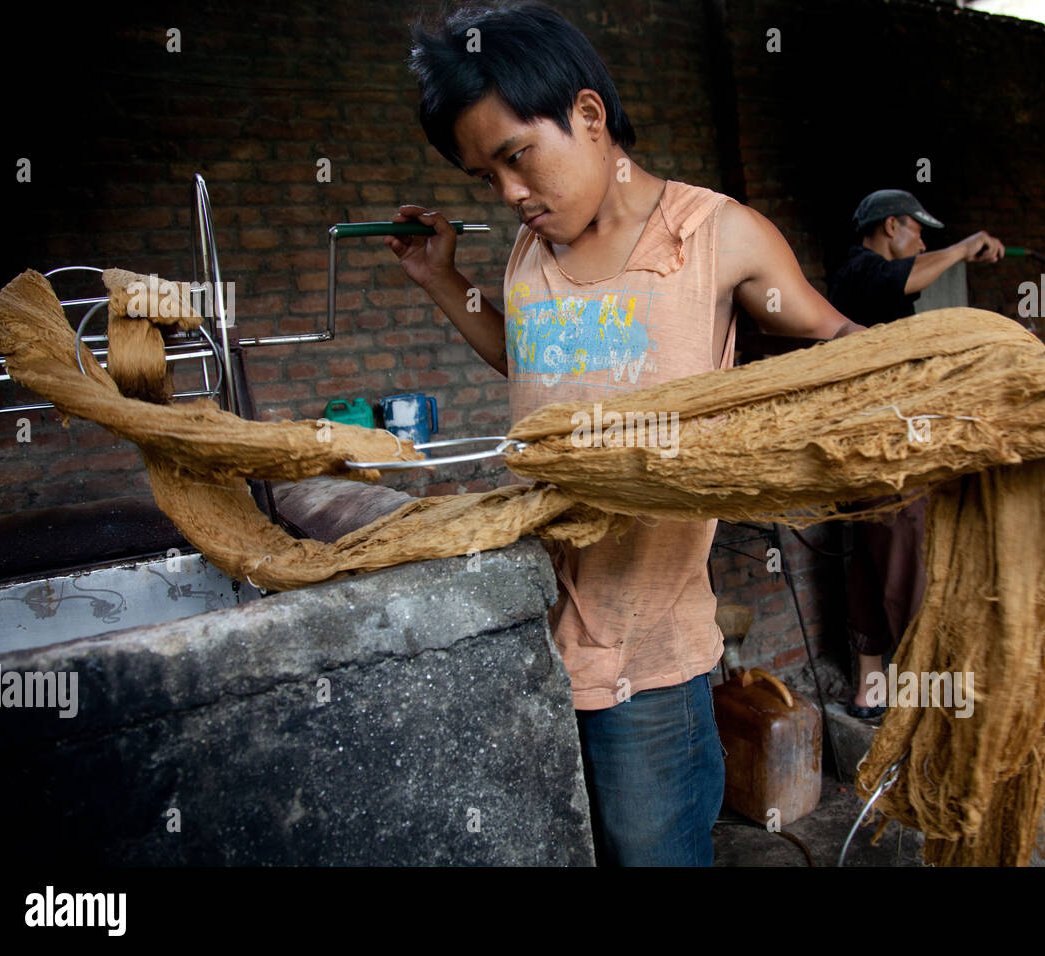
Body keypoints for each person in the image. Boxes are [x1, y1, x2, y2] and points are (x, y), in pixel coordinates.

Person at [387, 1, 866, 865]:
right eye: (483, 179)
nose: (509, 195)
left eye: (515, 159)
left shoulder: (716, 238)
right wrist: (441, 280)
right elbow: (534, 364)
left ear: (589, 116)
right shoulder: (529, 257)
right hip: (531, 632)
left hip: (647, 662)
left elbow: (838, 344)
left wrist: (956, 390)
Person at [827, 189, 1004, 719]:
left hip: (865, 447)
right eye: (918, 232)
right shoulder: (861, 269)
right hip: (883, 448)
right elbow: (904, 276)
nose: (923, 242)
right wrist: (964, 246)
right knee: (906, 558)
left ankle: (869, 690)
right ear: (892, 225)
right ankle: (925, 701)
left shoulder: (871, 286)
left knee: (868, 561)